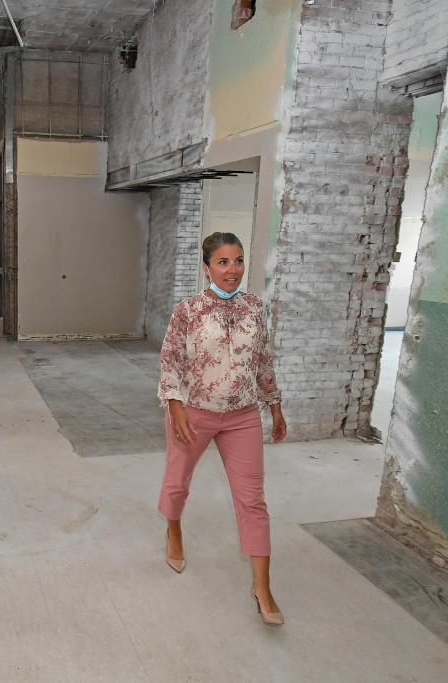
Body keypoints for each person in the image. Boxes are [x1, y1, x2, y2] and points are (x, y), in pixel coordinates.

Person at [157, 231, 287, 626]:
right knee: (178, 483)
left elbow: (264, 362)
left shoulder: (255, 308)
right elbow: (171, 362)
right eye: (223, 262)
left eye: (238, 261)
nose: (232, 270)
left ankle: (262, 586)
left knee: (252, 500)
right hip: (194, 411)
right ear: (207, 267)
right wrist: (176, 408)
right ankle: (174, 529)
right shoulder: (188, 310)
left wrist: (275, 407)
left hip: (243, 416)